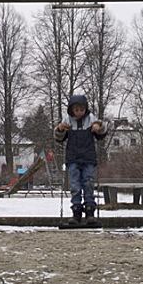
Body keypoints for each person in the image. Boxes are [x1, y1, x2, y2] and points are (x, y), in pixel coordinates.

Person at [54, 95, 107, 225]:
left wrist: (99, 128)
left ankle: (90, 212)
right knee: (75, 186)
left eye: (81, 109)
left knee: (88, 183)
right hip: (73, 159)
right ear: (71, 110)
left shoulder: (91, 120)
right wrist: (60, 129)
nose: (79, 112)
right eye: (76, 110)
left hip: (88, 158)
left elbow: (102, 132)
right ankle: (76, 212)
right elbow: (59, 138)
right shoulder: (67, 121)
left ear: (85, 109)